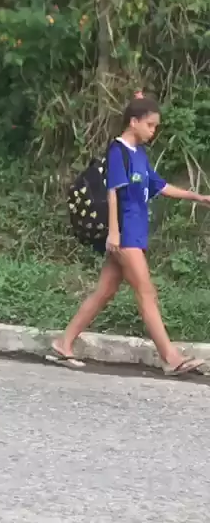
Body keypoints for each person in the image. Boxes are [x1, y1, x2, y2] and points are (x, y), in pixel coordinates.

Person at [48, 93, 210, 376]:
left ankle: (64, 343)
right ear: (133, 122)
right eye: (149, 125)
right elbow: (113, 192)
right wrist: (113, 233)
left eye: (155, 126)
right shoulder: (118, 151)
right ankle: (171, 358)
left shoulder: (139, 154)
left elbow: (160, 186)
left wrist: (197, 197)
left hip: (134, 232)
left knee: (104, 291)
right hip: (124, 235)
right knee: (146, 292)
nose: (153, 131)